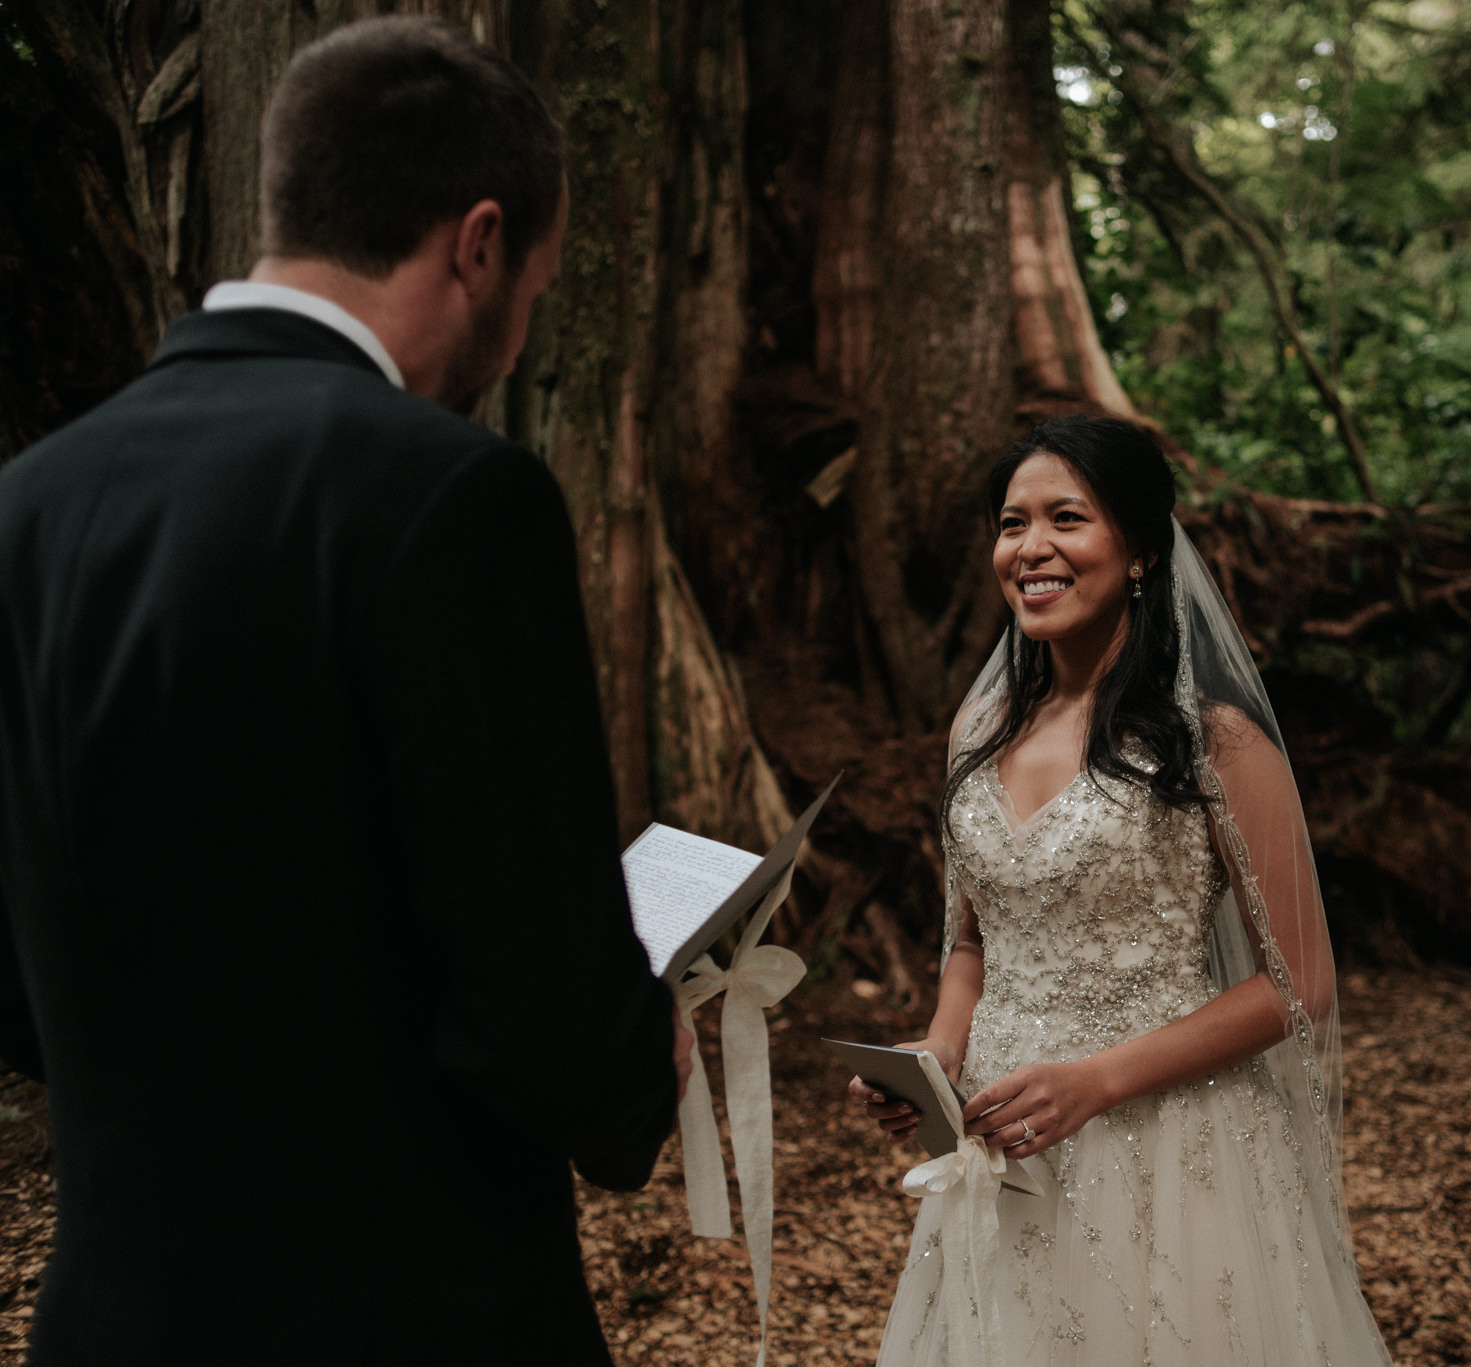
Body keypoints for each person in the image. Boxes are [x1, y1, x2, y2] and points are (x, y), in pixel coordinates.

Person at [0, 18, 685, 1366]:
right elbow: (542, 1011)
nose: (515, 337)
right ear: (477, 242)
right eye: (535, 292)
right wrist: (635, 1055)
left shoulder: (26, 505)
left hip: (115, 1321)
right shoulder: (449, 496)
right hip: (413, 1314)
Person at [848, 416, 1393, 1365]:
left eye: (1067, 517)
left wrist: (1098, 1080)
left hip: (1172, 1144)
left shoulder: (1218, 745)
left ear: (1140, 549)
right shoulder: (977, 729)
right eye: (1013, 523)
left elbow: (1299, 982)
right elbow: (973, 941)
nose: (1032, 548)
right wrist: (936, 1053)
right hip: (1004, 1139)